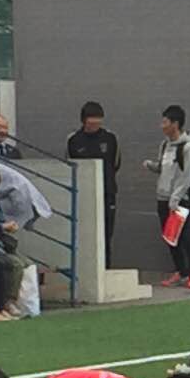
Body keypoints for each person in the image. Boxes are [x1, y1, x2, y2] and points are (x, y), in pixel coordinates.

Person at [154, 105, 190, 288]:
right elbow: (164, 168)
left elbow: (188, 175)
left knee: (186, 237)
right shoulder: (164, 146)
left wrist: (176, 198)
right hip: (163, 198)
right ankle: (181, 271)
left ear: (175, 124)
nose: (162, 126)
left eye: (165, 122)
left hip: (180, 201)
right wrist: (152, 166)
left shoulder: (188, 147)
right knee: (170, 237)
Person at [65, 102, 124, 266]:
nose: (95, 125)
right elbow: (69, 164)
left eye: (98, 121)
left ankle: (106, 266)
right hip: (84, 194)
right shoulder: (74, 140)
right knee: (85, 232)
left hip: (107, 193)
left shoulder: (110, 138)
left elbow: (116, 163)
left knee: (106, 232)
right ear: (84, 121)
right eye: (91, 122)